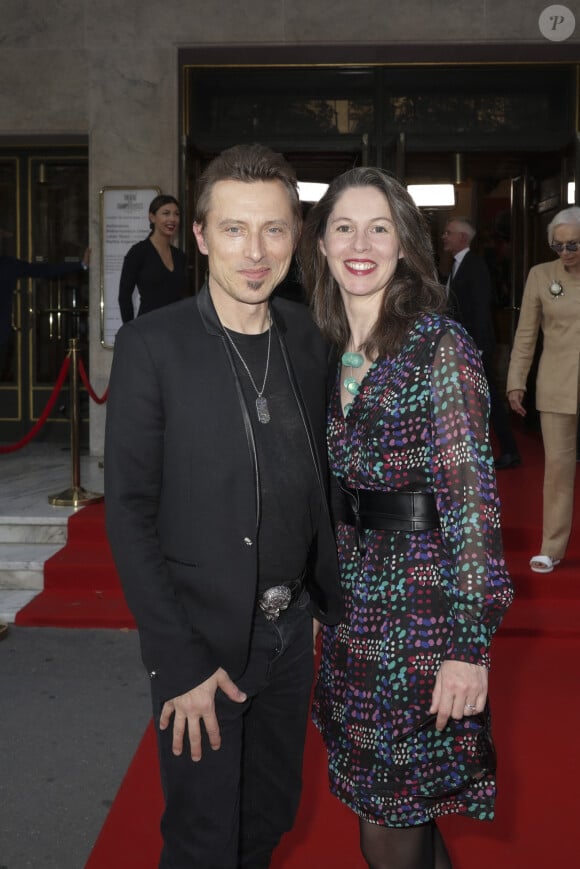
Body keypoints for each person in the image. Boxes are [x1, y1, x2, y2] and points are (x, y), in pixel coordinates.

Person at [104, 143, 343, 869]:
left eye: (274, 228)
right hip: (199, 644)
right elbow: (130, 515)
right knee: (205, 840)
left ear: (296, 235)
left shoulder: (310, 336)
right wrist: (179, 662)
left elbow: (321, 480)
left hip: (289, 634)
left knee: (269, 817)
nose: (255, 250)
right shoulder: (154, 346)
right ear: (200, 236)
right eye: (234, 229)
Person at [299, 168, 513, 869]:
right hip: (356, 608)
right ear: (322, 244)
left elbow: (473, 505)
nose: (361, 243)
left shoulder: (437, 346)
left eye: (379, 227)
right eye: (343, 227)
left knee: (391, 819)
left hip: (422, 616)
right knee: (390, 804)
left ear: (403, 244)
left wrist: (467, 645)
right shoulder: (330, 348)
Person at [506, 206, 580, 574]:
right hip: (556, 387)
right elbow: (525, 334)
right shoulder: (540, 275)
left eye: (573, 245)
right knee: (558, 473)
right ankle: (551, 548)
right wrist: (516, 381)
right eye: (558, 246)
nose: (565, 252)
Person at [443, 216, 521, 470]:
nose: (444, 236)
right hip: (463, 343)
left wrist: (476, 347)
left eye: (449, 232)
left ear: (463, 238)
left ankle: (509, 450)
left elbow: (478, 309)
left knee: (488, 398)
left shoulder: (474, 266)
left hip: (475, 345)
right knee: (472, 398)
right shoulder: (457, 265)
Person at [0, 243, 90, 377]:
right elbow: (43, 270)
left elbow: (43, 270)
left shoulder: (7, 264)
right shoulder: (7, 264)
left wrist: (80, 264)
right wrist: (80, 264)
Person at [118, 194, 186, 323]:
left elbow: (183, 297)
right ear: (152, 217)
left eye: (176, 214)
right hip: (147, 328)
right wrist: (130, 330)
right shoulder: (138, 252)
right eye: (166, 213)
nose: (172, 219)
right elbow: (124, 297)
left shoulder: (180, 256)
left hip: (176, 329)